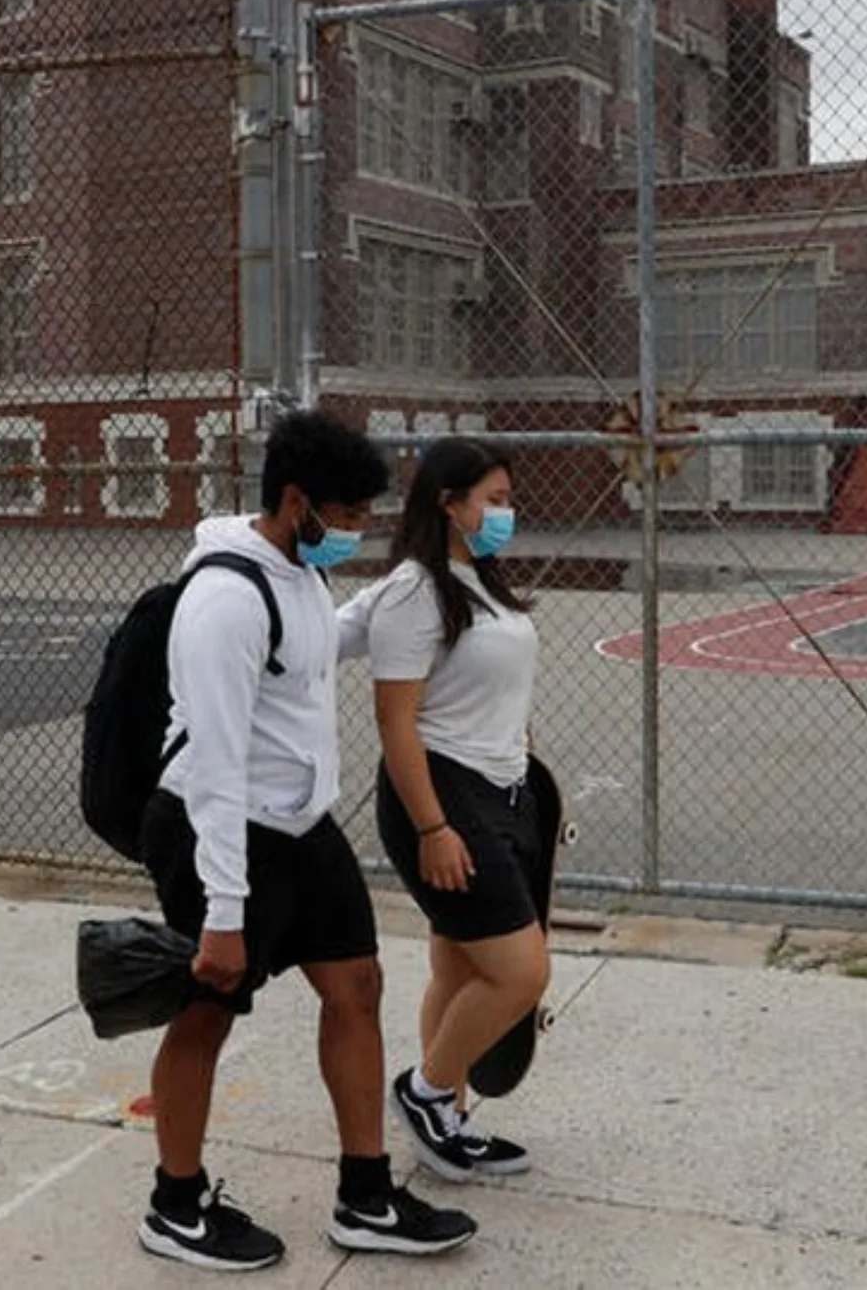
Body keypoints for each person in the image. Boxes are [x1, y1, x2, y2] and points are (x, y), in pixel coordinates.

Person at [137, 409, 476, 1270]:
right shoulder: (222, 600)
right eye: (349, 514)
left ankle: (366, 1197)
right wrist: (223, 910)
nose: (357, 529)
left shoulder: (298, 573)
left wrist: (404, 592)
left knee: (357, 986)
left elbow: (324, 642)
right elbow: (212, 764)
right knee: (206, 1010)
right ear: (296, 502)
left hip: (298, 826)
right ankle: (175, 1206)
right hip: (221, 831)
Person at [353, 436, 547, 1182]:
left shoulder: (481, 579)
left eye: (507, 498)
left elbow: (493, 687)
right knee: (520, 973)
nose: (506, 512)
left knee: (462, 967)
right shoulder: (414, 589)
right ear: (447, 502)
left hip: (502, 789)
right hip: (442, 796)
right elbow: (395, 719)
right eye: (493, 500)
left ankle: (446, 1124)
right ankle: (427, 1091)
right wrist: (434, 827)